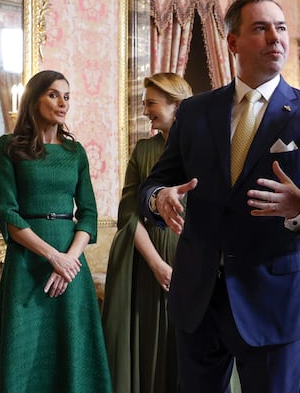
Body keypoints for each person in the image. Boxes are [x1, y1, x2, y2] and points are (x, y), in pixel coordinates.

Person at [139, 0, 300, 393]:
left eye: (281, 27)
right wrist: (159, 197)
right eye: (261, 28)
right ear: (233, 42)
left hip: (274, 303)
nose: (275, 37)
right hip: (198, 299)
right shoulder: (195, 112)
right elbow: (152, 184)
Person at [0, 70, 111, 392]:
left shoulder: (75, 152)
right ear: (34, 99)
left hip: (71, 267)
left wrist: (69, 260)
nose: (62, 103)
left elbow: (88, 213)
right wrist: (52, 256)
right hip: (27, 264)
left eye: (67, 97)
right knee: (24, 348)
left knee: (72, 346)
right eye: (54, 95)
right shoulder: (8, 147)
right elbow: (7, 213)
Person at [102, 73, 196, 393]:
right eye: (144, 104)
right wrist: (157, 265)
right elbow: (128, 216)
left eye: (151, 104)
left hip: (196, 265)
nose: (145, 111)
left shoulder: (205, 149)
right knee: (152, 352)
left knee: (193, 352)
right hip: (149, 268)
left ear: (176, 105)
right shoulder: (143, 150)